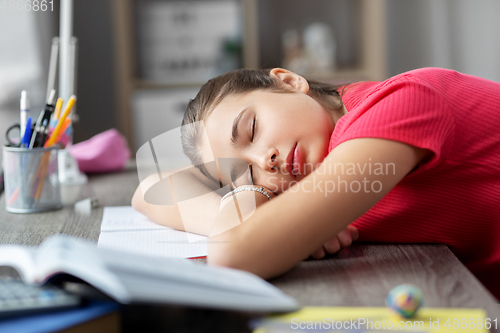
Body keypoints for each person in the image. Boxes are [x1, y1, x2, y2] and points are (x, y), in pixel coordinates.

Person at [132, 67, 500, 300]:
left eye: (252, 130)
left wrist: (259, 220)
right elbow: (148, 189)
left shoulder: (402, 102)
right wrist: (249, 204)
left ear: (289, 82)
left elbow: (232, 255)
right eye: (244, 172)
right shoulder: (314, 172)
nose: (264, 162)